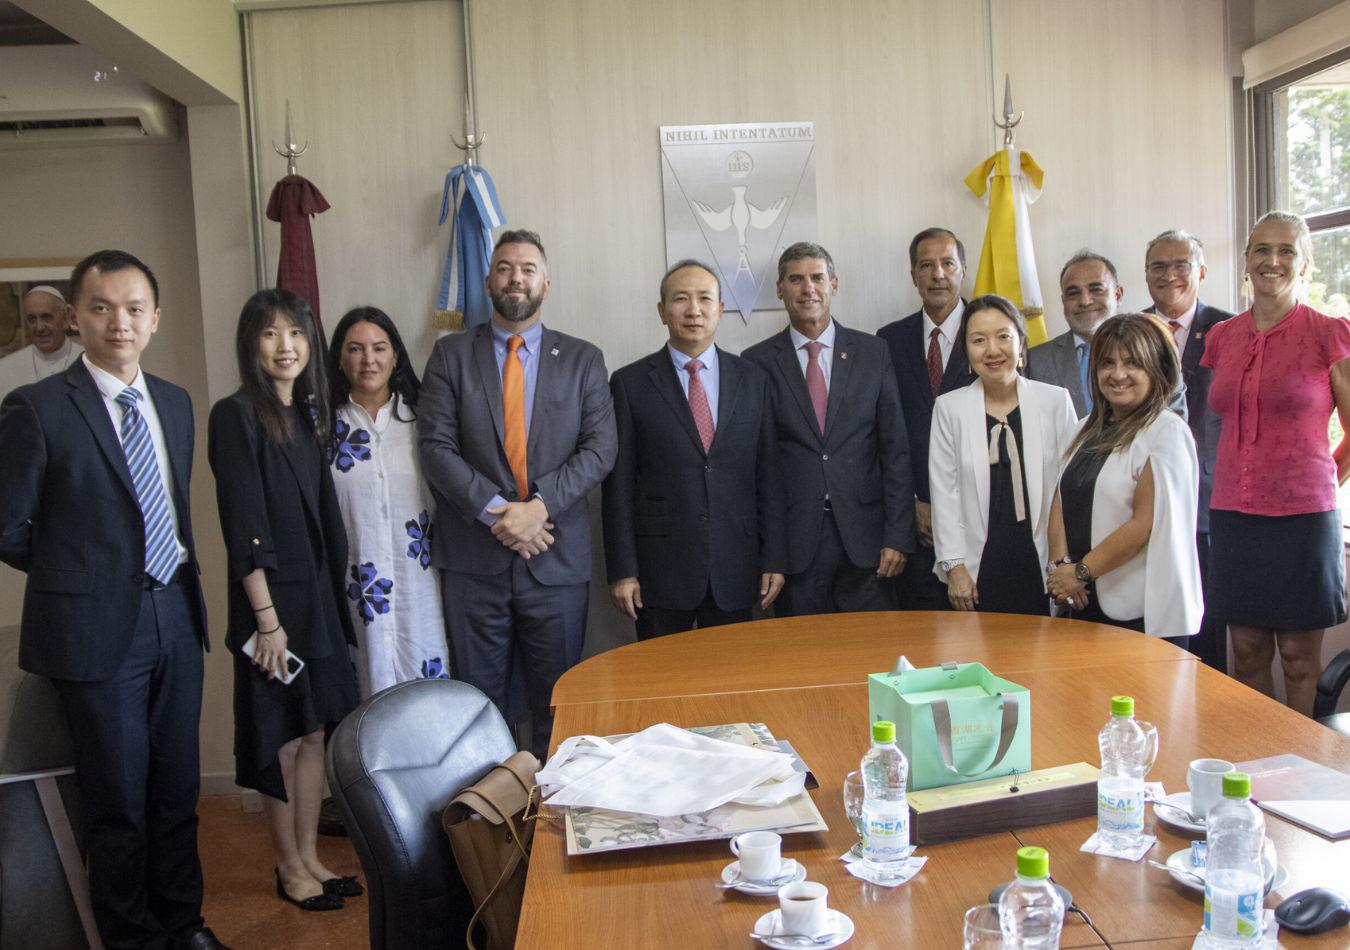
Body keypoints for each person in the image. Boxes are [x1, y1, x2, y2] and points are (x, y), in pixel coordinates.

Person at [0, 250, 228, 950]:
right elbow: (7, 523)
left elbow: (167, 512)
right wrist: (82, 579)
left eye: (133, 308)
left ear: (154, 320)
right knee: (118, 803)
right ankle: (131, 940)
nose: (118, 322)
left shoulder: (174, 403)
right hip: (95, 633)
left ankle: (183, 924)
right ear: (76, 318)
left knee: (174, 793)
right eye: (101, 307)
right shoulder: (36, 408)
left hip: (174, 615)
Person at [418, 229, 616, 757]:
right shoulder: (450, 356)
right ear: (488, 282)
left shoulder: (583, 359)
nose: (516, 277)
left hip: (555, 560)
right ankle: (491, 830)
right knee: (480, 710)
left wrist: (538, 509)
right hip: (473, 564)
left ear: (545, 284)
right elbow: (435, 447)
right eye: (504, 268)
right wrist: (499, 515)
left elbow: (600, 450)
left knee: (559, 704)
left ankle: (551, 827)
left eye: (527, 269)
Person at [208, 289, 360, 913]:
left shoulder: (305, 415)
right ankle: (288, 867)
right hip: (271, 608)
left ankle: (310, 857)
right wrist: (266, 622)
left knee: (316, 733)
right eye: (270, 335)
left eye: (294, 334)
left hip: (316, 600)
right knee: (282, 738)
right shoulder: (235, 414)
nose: (285, 347)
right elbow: (243, 522)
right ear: (251, 345)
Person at [1201, 211, 1350, 716]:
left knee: (1299, 660)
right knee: (1245, 653)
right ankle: (1256, 768)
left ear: (1304, 263)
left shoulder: (1330, 334)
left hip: (1304, 520)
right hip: (1233, 516)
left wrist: (1321, 482)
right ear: (1246, 261)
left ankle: (1301, 774)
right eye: (1261, 249)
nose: (1272, 260)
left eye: (1286, 250)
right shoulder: (1221, 336)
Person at [602, 259, 785, 638]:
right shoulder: (630, 383)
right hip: (659, 571)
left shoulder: (753, 380)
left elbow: (768, 475)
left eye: (705, 299)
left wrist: (775, 559)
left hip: (737, 565)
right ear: (661, 311)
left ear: (720, 309)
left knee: (732, 684)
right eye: (681, 299)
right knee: (664, 686)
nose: (694, 310)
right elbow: (617, 487)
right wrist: (623, 570)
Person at [743, 241, 915, 615]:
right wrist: (770, 553)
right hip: (795, 546)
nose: (808, 289)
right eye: (796, 280)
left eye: (817, 278)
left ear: (834, 284)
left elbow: (895, 450)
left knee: (871, 655)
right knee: (804, 660)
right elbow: (762, 467)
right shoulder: (755, 363)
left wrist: (898, 535)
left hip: (868, 542)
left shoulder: (873, 352)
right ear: (779, 289)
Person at [1046, 313, 1202, 639]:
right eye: (1107, 363)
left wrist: (1082, 571)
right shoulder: (1084, 428)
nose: (1117, 374)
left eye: (1133, 363)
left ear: (1157, 368)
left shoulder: (1165, 432)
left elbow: (1144, 523)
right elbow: (1060, 497)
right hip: (1081, 600)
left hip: (1141, 610)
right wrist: (1061, 568)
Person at [327, 306, 451, 696]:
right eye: (355, 349)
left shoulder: (423, 418)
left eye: (379, 348)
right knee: (364, 690)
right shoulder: (321, 427)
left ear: (396, 355)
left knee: (426, 696)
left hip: (422, 582)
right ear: (340, 359)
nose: (369, 359)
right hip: (354, 588)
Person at [929, 294, 1078, 615]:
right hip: (977, 567)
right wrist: (954, 568)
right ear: (966, 351)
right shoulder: (949, 408)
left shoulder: (1055, 402)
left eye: (1003, 337)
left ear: (1021, 343)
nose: (992, 350)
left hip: (1041, 562)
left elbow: (1069, 490)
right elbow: (944, 493)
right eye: (978, 340)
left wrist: (1064, 562)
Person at [1143, 229, 1234, 673]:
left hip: (1210, 506)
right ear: (1145, 275)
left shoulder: (1232, 328)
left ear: (1200, 271)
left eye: (1181, 265)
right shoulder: (1132, 331)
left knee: (1207, 635)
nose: (1170, 275)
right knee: (1153, 640)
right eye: (1158, 266)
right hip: (1145, 505)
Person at [877, 227, 976, 611]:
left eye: (947, 263)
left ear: (963, 270)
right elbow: (884, 434)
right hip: (915, 525)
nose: (938, 274)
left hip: (978, 521)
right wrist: (912, 504)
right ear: (913, 275)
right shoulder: (888, 341)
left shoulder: (991, 332)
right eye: (926, 265)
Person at [1027, 250, 1126, 418]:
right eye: (1073, 293)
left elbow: (1172, 421)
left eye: (1096, 289)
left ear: (1117, 295)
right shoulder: (1035, 361)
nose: (1085, 301)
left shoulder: (1151, 351)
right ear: (1063, 301)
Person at [0, 284, 83, 398]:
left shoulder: (88, 360)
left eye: (46, 317)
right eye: (32, 319)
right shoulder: (5, 368)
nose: (39, 327)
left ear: (65, 319)